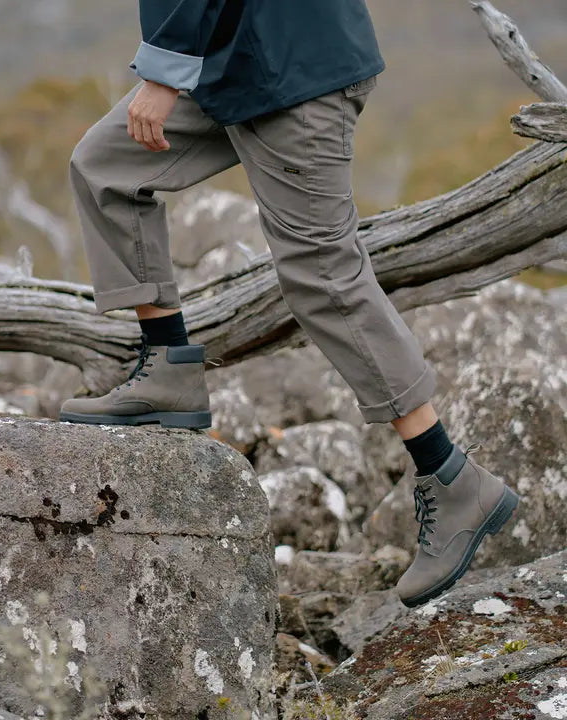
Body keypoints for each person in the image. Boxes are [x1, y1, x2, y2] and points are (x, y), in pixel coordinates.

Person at [61, 0, 519, 608]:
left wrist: (163, 73)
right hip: (231, 60)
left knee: (323, 276)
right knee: (106, 167)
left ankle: (451, 475)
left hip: (291, 65)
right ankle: (169, 367)